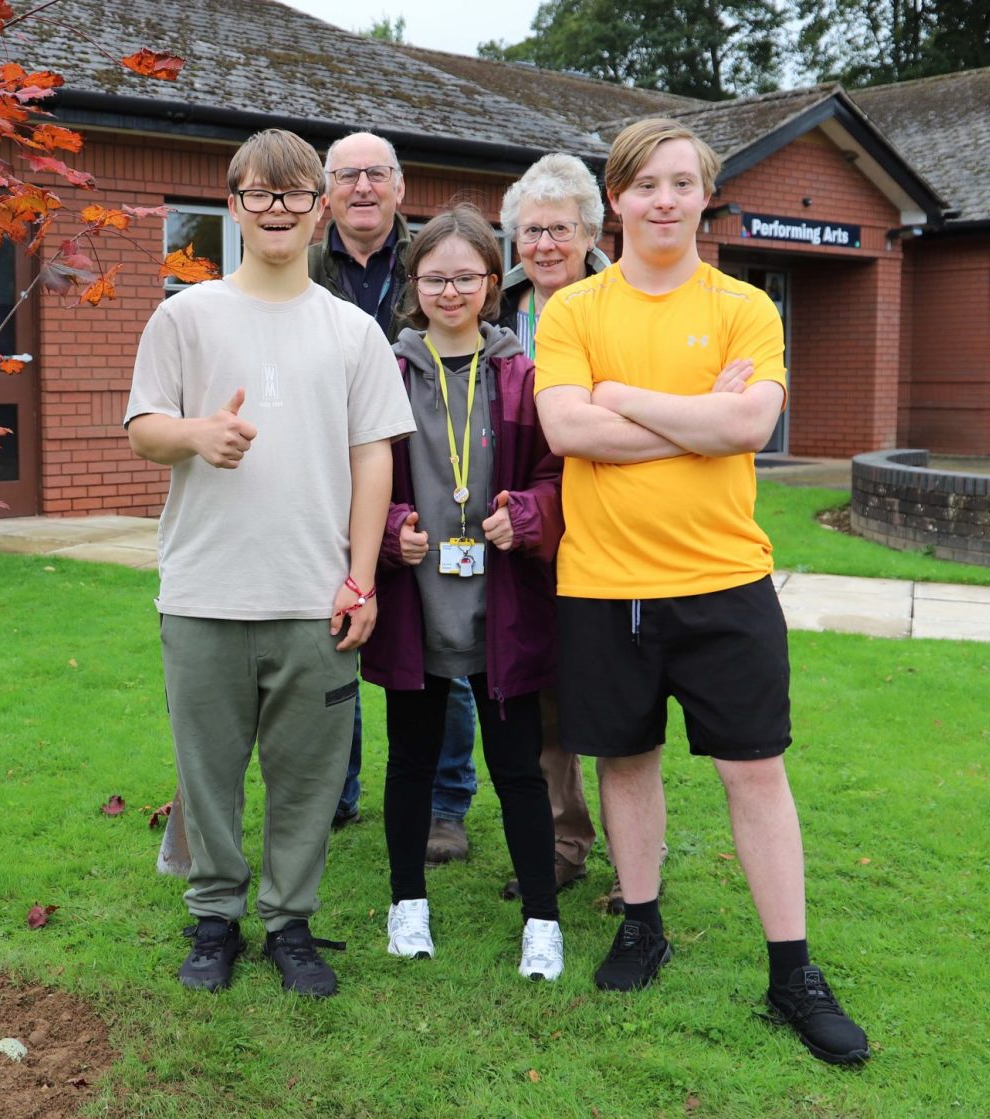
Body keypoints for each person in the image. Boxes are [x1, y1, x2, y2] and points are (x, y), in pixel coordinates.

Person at [533, 119, 871, 1063]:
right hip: (604, 583)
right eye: (646, 185)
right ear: (617, 197)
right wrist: (698, 420)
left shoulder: (745, 307)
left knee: (753, 770)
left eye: (683, 183)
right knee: (626, 758)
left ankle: (791, 969)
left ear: (704, 195)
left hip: (726, 579)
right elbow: (567, 432)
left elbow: (752, 424)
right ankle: (641, 920)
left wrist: (622, 399)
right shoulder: (571, 312)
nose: (665, 200)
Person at [125, 128, 413, 999]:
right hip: (206, 591)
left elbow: (374, 458)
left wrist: (361, 575)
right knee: (207, 772)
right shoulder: (185, 315)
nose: (277, 210)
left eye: (293, 195)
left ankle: (290, 922)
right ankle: (215, 916)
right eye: (259, 194)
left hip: (312, 595)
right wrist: (197, 434)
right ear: (233, 204)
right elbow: (144, 429)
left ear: (320, 209)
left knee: (308, 779)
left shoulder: (354, 331)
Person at [361, 204, 566, 978]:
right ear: (414, 283)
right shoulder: (384, 370)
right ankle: (406, 904)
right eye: (434, 277)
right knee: (410, 763)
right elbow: (356, 474)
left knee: (519, 768)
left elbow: (556, 476)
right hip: (417, 603)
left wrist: (528, 514)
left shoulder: (521, 373)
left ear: (491, 280)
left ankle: (542, 920)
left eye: (467, 277)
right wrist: (390, 530)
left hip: (499, 609)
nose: (451, 292)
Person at [310, 130, 481, 865]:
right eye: (346, 175)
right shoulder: (303, 265)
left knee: (445, 642)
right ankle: (335, 792)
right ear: (327, 192)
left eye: (376, 173)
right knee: (333, 636)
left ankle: (446, 804)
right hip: (324, 473)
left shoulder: (431, 258)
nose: (362, 187)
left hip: (429, 472)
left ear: (400, 187)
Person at [492, 152, 613, 906]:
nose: (543, 245)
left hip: (608, 514)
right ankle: (564, 843)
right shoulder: (497, 307)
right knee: (541, 697)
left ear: (590, 232)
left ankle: (640, 862)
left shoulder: (622, 299)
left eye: (558, 229)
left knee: (615, 692)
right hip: (523, 522)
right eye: (530, 230)